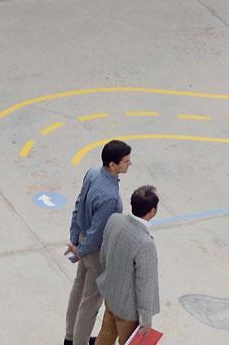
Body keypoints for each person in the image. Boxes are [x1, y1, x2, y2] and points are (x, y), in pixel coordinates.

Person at [64, 139, 132, 345]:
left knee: (78, 290)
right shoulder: (110, 196)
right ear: (113, 165)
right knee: (91, 303)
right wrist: (81, 251)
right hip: (95, 251)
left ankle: (69, 336)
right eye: (126, 161)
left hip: (83, 242)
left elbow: (78, 205)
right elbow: (97, 233)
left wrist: (75, 241)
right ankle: (80, 341)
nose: (129, 163)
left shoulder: (93, 173)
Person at [96, 185, 160, 345]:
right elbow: (145, 284)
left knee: (106, 334)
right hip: (128, 310)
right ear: (152, 211)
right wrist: (146, 319)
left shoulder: (115, 220)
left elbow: (103, 254)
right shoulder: (145, 243)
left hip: (111, 296)